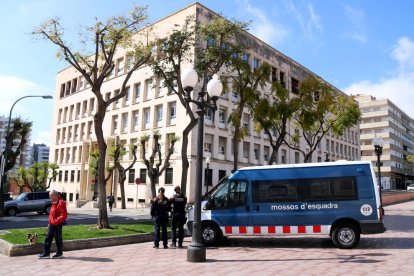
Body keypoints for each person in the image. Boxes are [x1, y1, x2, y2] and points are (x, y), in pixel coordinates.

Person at [38, 190, 68, 259]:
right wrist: (50, 223)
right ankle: (46, 253)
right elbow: (52, 214)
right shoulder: (54, 202)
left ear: (55, 196)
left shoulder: (61, 202)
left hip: (57, 224)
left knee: (58, 239)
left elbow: (64, 215)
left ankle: (59, 253)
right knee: (48, 238)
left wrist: (56, 222)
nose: (50, 198)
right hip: (52, 224)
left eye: (51, 196)